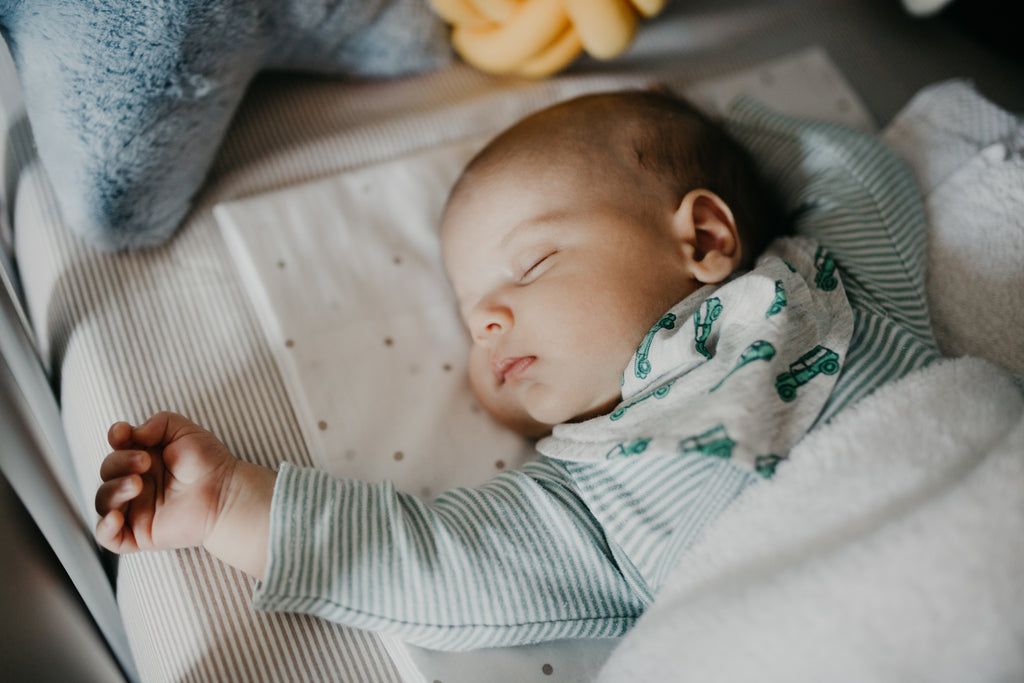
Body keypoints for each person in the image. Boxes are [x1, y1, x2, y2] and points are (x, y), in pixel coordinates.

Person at [94, 90, 939, 651]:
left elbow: (852, 167)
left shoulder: (826, 283)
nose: (487, 320)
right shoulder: (585, 491)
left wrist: (701, 135)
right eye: (471, 318)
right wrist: (233, 502)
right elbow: (437, 559)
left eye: (530, 265)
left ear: (706, 239)